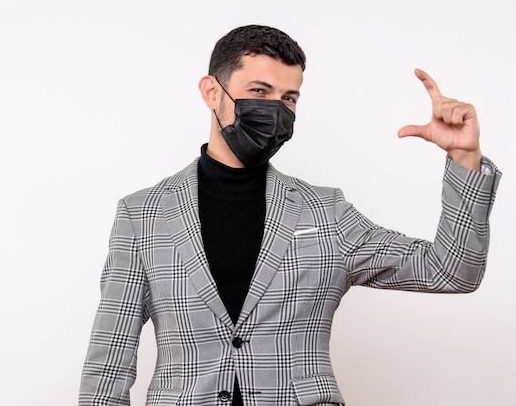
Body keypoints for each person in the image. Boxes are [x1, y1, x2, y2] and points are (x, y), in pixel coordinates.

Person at [79, 25, 501, 406]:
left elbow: (452, 271)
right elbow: (109, 362)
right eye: (259, 92)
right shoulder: (143, 214)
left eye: (289, 97)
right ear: (212, 92)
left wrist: (465, 157)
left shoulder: (326, 212)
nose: (276, 109)